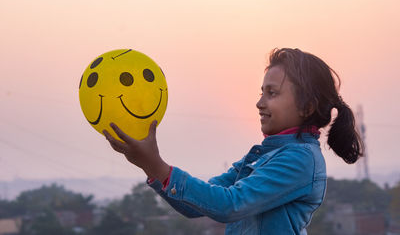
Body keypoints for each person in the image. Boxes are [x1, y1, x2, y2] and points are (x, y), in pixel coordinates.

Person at [103, 48, 364, 234]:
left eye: (272, 93)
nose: (260, 102)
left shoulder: (301, 159)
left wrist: (158, 166)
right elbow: (198, 205)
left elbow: (228, 205)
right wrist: (151, 167)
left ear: (308, 106)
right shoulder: (262, 155)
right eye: (261, 92)